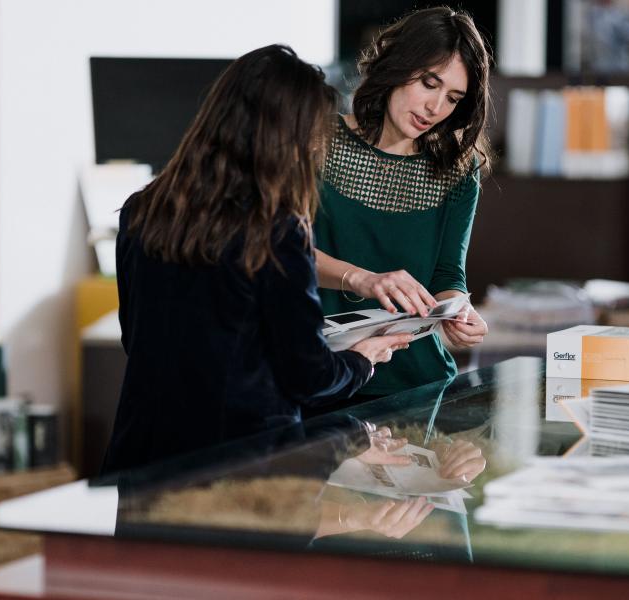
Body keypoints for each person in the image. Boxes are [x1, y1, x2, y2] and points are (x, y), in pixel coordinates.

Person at [102, 45, 412, 475]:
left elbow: (137, 340)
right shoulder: (277, 230)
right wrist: (363, 359)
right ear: (287, 138)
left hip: (145, 461)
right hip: (244, 472)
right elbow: (311, 378)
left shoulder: (143, 210)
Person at [312, 7, 493, 402]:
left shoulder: (458, 167)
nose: (436, 108)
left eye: (453, 98)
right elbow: (280, 255)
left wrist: (460, 312)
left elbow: (448, 274)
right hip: (325, 378)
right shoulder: (317, 142)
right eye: (429, 83)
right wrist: (363, 278)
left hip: (420, 386)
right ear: (398, 64)